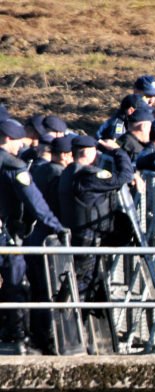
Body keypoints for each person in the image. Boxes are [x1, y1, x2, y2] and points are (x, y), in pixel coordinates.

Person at [0, 119, 68, 354]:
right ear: (8, 139)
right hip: (5, 237)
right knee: (15, 283)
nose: (22, 145)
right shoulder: (12, 165)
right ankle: (17, 337)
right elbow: (35, 202)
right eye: (19, 140)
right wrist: (58, 227)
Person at [57, 135, 134, 300]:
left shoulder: (68, 172)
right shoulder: (88, 176)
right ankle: (65, 317)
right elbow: (125, 176)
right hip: (88, 236)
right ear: (88, 153)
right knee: (82, 283)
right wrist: (117, 151)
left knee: (79, 279)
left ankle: (65, 311)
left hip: (75, 233)